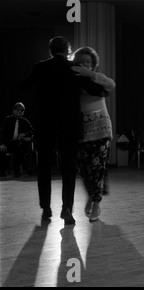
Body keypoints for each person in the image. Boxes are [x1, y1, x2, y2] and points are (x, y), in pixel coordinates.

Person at [19, 36, 107, 225]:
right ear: (68, 51)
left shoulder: (39, 67)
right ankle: (67, 209)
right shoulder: (73, 69)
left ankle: (46, 209)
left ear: (51, 50)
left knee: (43, 167)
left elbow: (23, 86)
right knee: (68, 169)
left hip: (45, 125)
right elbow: (96, 90)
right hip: (69, 126)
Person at [71, 46, 115, 222]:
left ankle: (96, 203)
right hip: (82, 132)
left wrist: (89, 74)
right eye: (80, 62)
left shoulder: (98, 80)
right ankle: (92, 195)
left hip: (102, 130)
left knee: (97, 169)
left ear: (93, 64)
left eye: (87, 62)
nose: (84, 65)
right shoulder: (73, 82)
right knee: (85, 170)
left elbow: (112, 85)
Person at [0, 102, 34, 177]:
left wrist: (24, 134)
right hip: (7, 143)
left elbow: (31, 131)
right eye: (18, 110)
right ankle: (2, 172)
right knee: (1, 150)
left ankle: (17, 171)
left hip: (17, 144)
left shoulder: (25, 121)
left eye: (22, 110)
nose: (20, 112)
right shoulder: (7, 120)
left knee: (21, 149)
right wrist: (2, 143)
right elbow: (1, 132)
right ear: (14, 110)